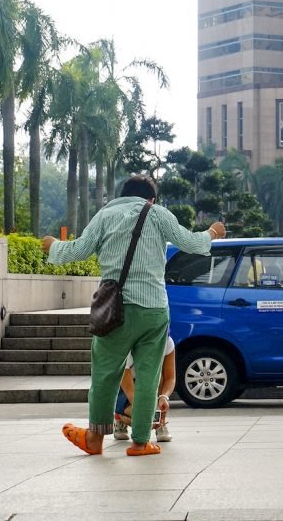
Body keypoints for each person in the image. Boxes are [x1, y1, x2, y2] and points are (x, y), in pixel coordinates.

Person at [43, 174, 225, 457]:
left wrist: (52, 245)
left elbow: (77, 251)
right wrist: (212, 232)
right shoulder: (158, 214)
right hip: (154, 309)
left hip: (115, 310)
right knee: (150, 376)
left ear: (122, 194)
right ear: (150, 199)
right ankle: (141, 442)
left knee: (105, 374)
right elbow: (192, 243)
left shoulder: (105, 215)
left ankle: (94, 438)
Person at [114, 333, 176, 442]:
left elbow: (170, 378)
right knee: (137, 418)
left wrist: (163, 397)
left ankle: (161, 423)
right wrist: (144, 415)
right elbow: (129, 391)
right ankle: (120, 417)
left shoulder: (167, 342)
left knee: (159, 376)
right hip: (123, 386)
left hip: (150, 381)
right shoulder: (127, 345)